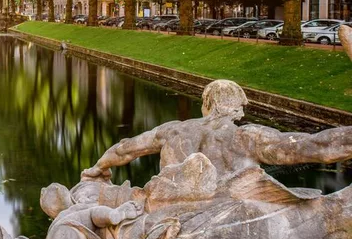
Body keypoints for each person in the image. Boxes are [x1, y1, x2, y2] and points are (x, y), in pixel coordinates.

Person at [82, 79, 352, 181]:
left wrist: (98, 168)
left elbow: (125, 148)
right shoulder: (248, 137)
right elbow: (317, 147)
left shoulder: (173, 130)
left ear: (207, 105)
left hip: (168, 220)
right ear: (238, 110)